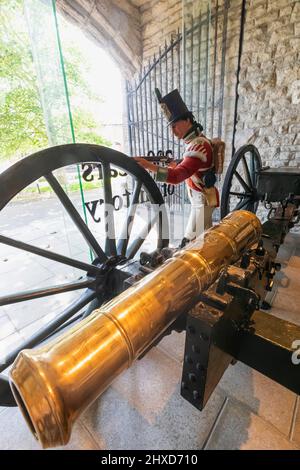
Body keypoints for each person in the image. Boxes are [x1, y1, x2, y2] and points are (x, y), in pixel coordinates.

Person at [134, 88, 219, 247]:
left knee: (189, 243)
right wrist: (175, 165)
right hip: (199, 200)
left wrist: (148, 165)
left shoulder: (198, 146)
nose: (173, 132)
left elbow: (177, 177)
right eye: (171, 127)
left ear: (187, 120)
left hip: (203, 201)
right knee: (206, 240)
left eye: (175, 126)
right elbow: (188, 169)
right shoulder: (195, 143)